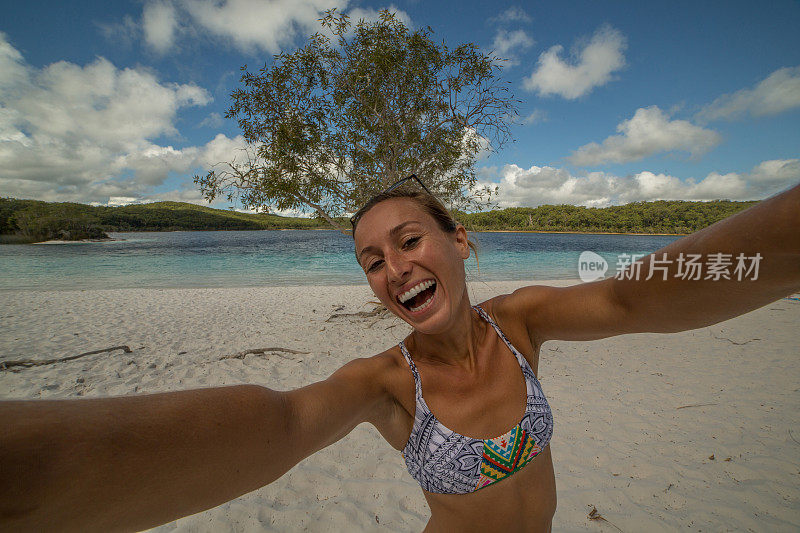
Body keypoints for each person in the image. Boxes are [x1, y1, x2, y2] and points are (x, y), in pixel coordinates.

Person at [1, 177, 798, 532]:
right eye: (371, 260)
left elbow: (634, 296)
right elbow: (279, 424)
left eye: (408, 240)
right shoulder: (385, 385)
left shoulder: (521, 324)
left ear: (459, 240)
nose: (392, 268)